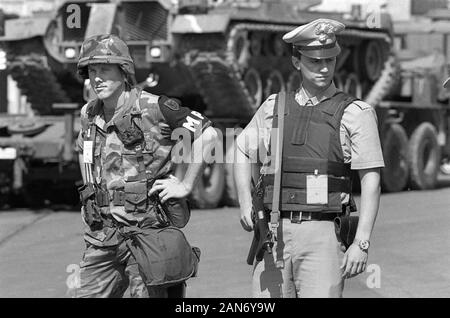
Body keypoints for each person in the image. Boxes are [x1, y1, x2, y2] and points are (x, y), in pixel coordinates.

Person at [234, 19, 384, 298]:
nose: (325, 67)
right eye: (315, 61)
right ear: (296, 61)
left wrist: (361, 242)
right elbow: (241, 149)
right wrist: (245, 202)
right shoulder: (274, 107)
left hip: (323, 235)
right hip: (274, 235)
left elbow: (371, 182)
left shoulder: (356, 113)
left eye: (330, 59)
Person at [71, 34, 217, 298]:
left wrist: (185, 185)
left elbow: (208, 135)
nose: (97, 78)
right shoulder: (88, 114)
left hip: (147, 236)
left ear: (124, 71)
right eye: (92, 71)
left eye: (104, 69)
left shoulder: (154, 107)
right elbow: (85, 151)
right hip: (103, 239)